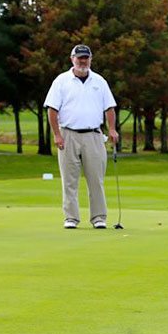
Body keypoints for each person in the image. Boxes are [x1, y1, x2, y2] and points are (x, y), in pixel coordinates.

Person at [44, 44, 119, 229]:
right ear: (72, 59)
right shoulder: (61, 81)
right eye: (79, 58)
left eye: (86, 58)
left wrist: (112, 129)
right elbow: (52, 109)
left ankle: (99, 217)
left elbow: (109, 107)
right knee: (69, 180)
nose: (82, 61)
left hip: (93, 134)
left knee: (96, 179)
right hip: (68, 134)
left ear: (90, 59)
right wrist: (57, 135)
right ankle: (71, 218)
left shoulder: (99, 81)